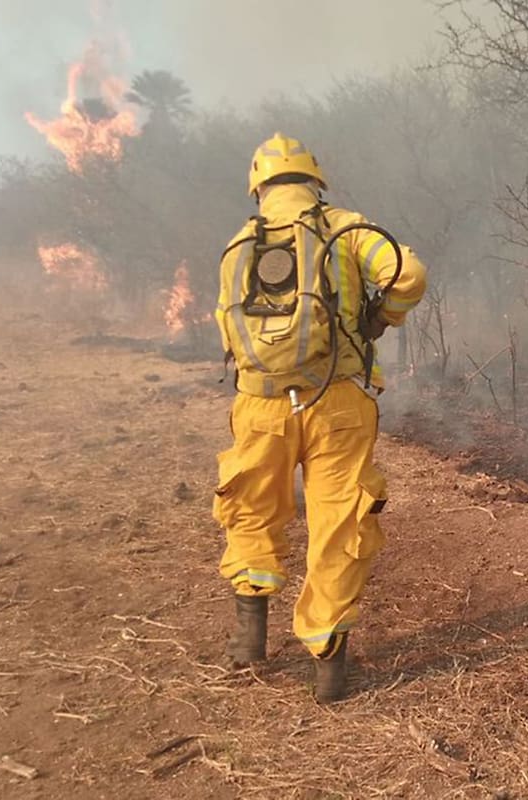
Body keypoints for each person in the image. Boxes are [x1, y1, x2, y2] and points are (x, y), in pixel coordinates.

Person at [211, 132, 427, 703]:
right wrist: (379, 319)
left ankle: (249, 635)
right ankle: (329, 664)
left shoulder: (240, 243)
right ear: (315, 181)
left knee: (251, 506)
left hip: (259, 403)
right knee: (338, 522)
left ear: (258, 187)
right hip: (337, 401)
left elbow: (227, 324)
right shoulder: (344, 228)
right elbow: (409, 275)